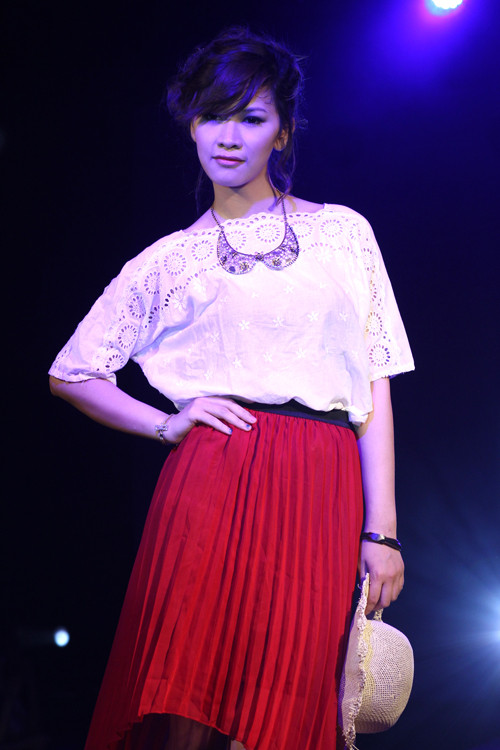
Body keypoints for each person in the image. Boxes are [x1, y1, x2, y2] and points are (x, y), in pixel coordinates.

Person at [49, 27, 414, 750]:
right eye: (213, 115)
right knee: (187, 699)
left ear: (283, 132)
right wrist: (165, 423)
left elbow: (373, 382)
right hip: (214, 476)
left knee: (288, 700)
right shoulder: (170, 260)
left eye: (251, 117)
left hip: (320, 483)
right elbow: (71, 372)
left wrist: (383, 530)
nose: (228, 135)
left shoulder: (344, 235)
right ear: (191, 124)